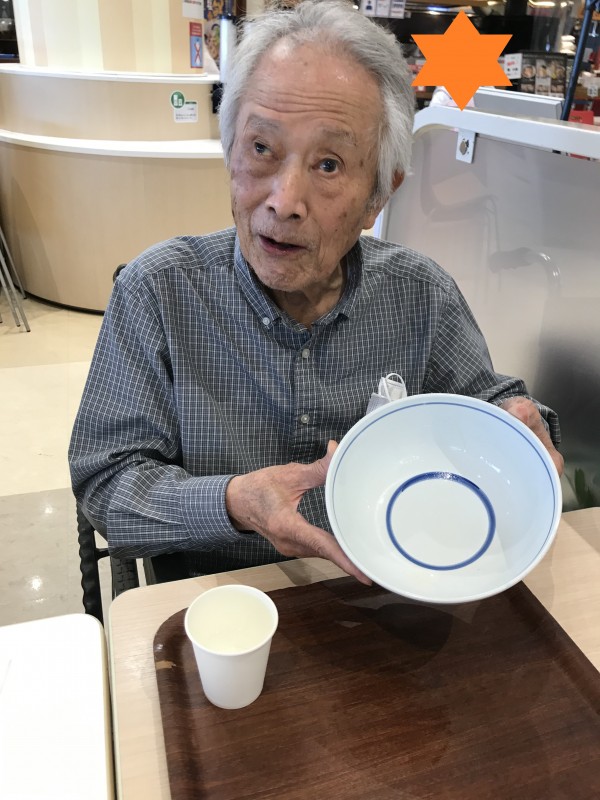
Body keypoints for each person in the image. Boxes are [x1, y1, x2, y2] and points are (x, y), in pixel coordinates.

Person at [69, 0, 562, 585]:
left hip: (389, 597)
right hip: (221, 603)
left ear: (379, 195)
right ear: (230, 154)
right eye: (261, 148)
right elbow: (106, 483)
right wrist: (234, 503)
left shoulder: (420, 293)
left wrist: (521, 427)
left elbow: (491, 403)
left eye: (328, 164)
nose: (284, 201)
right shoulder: (158, 291)